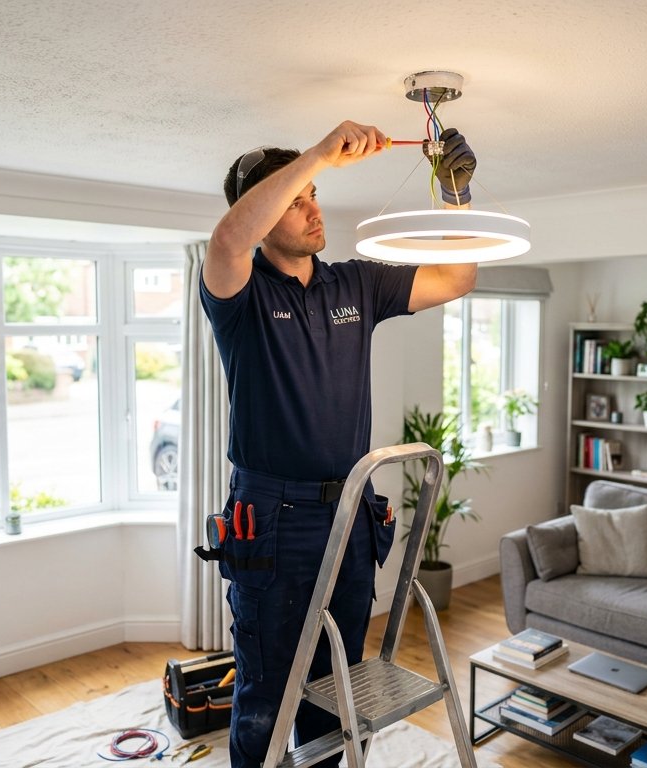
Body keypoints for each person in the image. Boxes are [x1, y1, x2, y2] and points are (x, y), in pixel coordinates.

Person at [198, 120, 478, 767]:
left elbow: (456, 278)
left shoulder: (355, 283)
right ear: (262, 211)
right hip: (273, 519)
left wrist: (455, 194)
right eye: (294, 199)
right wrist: (320, 153)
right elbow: (228, 238)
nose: (312, 208)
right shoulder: (237, 292)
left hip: (350, 513)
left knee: (338, 686)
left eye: (314, 194)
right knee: (268, 696)